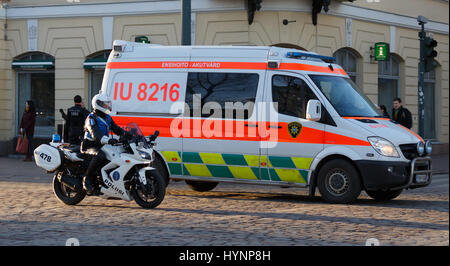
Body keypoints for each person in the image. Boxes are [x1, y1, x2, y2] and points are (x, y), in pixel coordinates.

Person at [81, 94, 125, 194]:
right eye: (105, 104)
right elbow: (96, 135)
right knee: (100, 155)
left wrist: (128, 135)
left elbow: (117, 129)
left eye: (108, 104)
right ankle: (86, 179)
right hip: (89, 146)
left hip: (102, 145)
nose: (107, 106)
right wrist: (109, 140)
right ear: (98, 104)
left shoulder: (108, 118)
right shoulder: (91, 118)